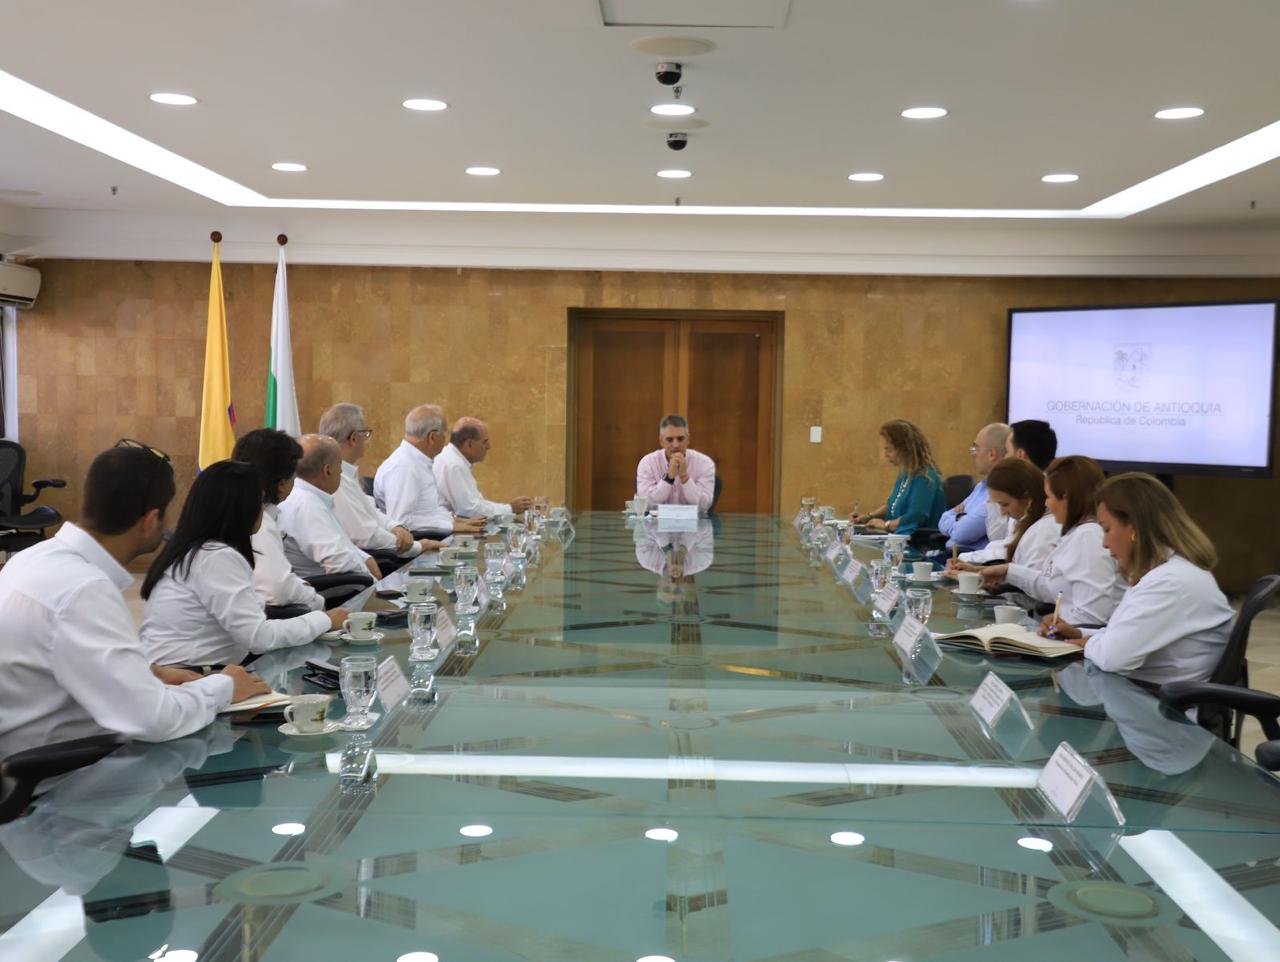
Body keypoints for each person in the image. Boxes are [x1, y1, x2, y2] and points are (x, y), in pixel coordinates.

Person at [0, 445, 267, 759]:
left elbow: (60, 657)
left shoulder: (32, 558)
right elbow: (155, 720)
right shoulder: (84, 589)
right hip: (68, 782)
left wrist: (146, 672)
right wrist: (223, 686)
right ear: (150, 520)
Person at [140, 460, 342, 667]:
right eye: (259, 502)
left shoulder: (194, 550)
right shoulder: (215, 557)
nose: (262, 510)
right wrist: (324, 620)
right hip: (193, 678)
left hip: (199, 670)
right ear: (241, 508)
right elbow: (259, 637)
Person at [1037, 473, 1232, 684]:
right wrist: (1076, 633)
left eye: (1107, 529)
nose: (1104, 543)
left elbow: (1112, 657)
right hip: (1147, 697)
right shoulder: (1168, 572)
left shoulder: (1170, 583)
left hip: (1160, 709)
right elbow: (1123, 634)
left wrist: (1082, 643)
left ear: (1134, 527)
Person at [981, 455, 1126, 625]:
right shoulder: (1077, 533)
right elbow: (1052, 586)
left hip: (1078, 643)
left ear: (1066, 497)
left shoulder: (1089, 537)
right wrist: (1009, 571)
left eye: (1049, 497)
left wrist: (1050, 628)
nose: (1047, 504)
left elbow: (1092, 617)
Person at [318, 402, 444, 562]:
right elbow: (367, 535)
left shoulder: (346, 474)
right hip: (373, 560)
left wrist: (394, 526)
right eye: (366, 433)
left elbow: (371, 511)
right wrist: (417, 546)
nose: (367, 440)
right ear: (354, 438)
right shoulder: (334, 479)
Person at [231, 428, 325, 611]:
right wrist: (314, 597)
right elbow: (278, 589)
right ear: (282, 484)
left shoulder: (232, 508)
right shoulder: (259, 524)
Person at [279, 434, 383, 581]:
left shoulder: (311, 496)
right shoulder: (307, 505)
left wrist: (365, 558)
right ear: (327, 470)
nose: (341, 472)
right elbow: (341, 563)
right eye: (340, 465)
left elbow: (341, 544)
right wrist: (373, 581)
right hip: (331, 595)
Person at [374, 404, 486, 538]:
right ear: (432, 437)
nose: (446, 442)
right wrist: (452, 526)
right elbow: (401, 522)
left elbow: (429, 511)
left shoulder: (419, 462)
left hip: (432, 537)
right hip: (419, 549)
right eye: (445, 435)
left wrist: (459, 521)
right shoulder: (404, 467)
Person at [949, 458, 1060, 569]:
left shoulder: (1044, 530)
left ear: (1028, 498)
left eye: (1005, 504)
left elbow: (1031, 579)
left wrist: (968, 560)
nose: (1002, 512)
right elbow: (1004, 547)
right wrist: (970, 565)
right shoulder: (1021, 518)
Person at [852, 419, 946, 535]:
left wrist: (886, 525)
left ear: (904, 450)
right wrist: (868, 517)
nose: (885, 455)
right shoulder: (906, 474)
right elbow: (893, 503)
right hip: (898, 539)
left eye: (889, 449)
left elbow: (915, 517)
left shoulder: (925, 478)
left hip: (919, 545)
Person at [434, 416, 533, 518]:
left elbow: (477, 503)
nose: (488, 447)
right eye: (484, 442)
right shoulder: (455, 465)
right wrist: (510, 509)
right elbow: (470, 511)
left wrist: (507, 508)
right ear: (470, 444)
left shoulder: (451, 459)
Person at [937, 422, 1011, 551]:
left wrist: (956, 517)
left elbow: (962, 534)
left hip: (972, 563)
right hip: (954, 559)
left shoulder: (1001, 493)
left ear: (991, 454)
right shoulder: (981, 487)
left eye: (976, 449)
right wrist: (959, 518)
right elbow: (943, 518)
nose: (973, 455)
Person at [635, 414, 717, 514]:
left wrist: (684, 477)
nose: (676, 445)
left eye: (680, 439)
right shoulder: (647, 463)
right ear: (661, 441)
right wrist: (668, 478)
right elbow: (646, 505)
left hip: (694, 527)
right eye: (669, 440)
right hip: (655, 526)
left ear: (688, 440)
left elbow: (704, 507)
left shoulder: (705, 463)